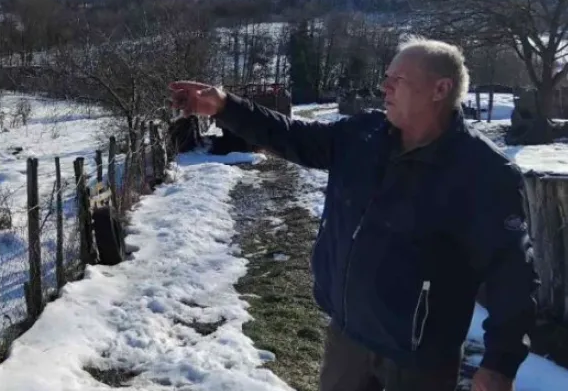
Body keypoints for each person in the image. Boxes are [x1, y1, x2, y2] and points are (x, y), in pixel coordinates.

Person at [170, 37, 539, 391]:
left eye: (397, 79)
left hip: (420, 355)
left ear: (439, 89)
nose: (384, 87)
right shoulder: (364, 134)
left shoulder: (485, 172)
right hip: (348, 333)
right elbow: (292, 135)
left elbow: (513, 275)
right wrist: (226, 107)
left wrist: (500, 364)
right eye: (386, 77)